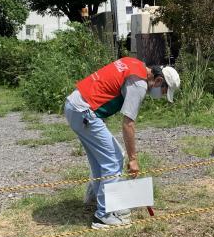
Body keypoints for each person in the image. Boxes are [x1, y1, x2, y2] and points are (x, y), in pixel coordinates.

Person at [65, 58, 180, 228]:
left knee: (102, 160)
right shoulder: (139, 84)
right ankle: (105, 215)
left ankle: (100, 200)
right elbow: (128, 123)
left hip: (75, 105)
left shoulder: (135, 64)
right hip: (84, 110)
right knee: (114, 158)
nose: (161, 96)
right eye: (163, 92)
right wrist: (133, 159)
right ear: (158, 80)